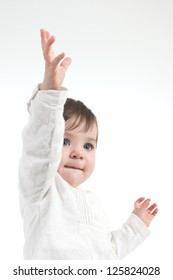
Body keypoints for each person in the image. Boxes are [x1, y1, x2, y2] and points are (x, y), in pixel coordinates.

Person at [18, 29, 158, 260]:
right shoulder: (40, 188)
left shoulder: (93, 202)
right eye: (65, 141)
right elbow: (40, 146)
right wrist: (50, 91)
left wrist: (135, 225)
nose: (78, 154)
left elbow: (108, 253)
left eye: (88, 146)